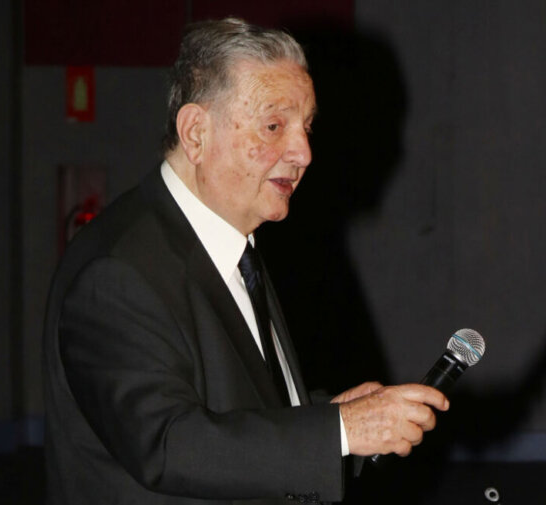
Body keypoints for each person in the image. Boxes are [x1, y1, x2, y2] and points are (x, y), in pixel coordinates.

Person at [42, 17, 449, 505]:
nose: (303, 153)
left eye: (307, 127)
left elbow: (234, 404)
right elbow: (167, 444)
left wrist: (323, 416)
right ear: (196, 133)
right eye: (274, 126)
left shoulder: (230, 243)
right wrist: (339, 430)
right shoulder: (117, 272)